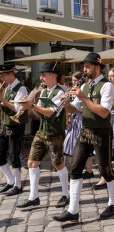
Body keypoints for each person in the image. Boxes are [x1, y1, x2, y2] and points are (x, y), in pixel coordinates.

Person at [53, 53, 114, 222]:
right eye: (84, 66)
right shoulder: (86, 85)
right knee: (75, 167)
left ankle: (113, 203)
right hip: (85, 130)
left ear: (98, 66)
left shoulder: (107, 86)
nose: (84, 69)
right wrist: (66, 102)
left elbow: (104, 112)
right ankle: (73, 210)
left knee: (105, 169)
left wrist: (82, 97)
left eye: (88, 66)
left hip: (102, 132)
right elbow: (74, 109)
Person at [17, 62, 69, 208]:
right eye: (41, 75)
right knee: (32, 162)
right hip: (42, 131)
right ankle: (33, 197)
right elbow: (39, 115)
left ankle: (65, 194)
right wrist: (30, 103)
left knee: (58, 164)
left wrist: (32, 105)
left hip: (55, 133)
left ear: (53, 76)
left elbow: (52, 112)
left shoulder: (61, 91)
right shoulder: (44, 91)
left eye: (43, 75)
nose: (41, 78)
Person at [0, 64, 28, 196]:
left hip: (16, 125)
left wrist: (2, 99)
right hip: (5, 124)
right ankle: (10, 181)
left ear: (11, 74)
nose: (2, 78)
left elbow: (17, 108)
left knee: (13, 155)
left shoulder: (21, 88)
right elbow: (4, 107)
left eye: (4, 75)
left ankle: (18, 185)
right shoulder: (7, 88)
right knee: (0, 154)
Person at [63, 71, 94, 179]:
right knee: (69, 145)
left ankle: (88, 170)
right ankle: (74, 170)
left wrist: (75, 109)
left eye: (76, 80)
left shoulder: (83, 90)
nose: (74, 82)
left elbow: (85, 107)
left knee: (85, 146)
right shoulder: (73, 90)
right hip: (74, 120)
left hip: (81, 120)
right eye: (72, 80)